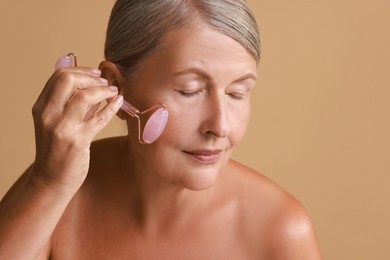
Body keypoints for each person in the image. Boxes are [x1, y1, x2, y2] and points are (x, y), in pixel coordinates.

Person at [0, 0, 322, 259]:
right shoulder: (58, 193)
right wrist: (49, 185)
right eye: (190, 91)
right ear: (116, 87)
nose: (220, 126)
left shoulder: (279, 231)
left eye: (237, 93)